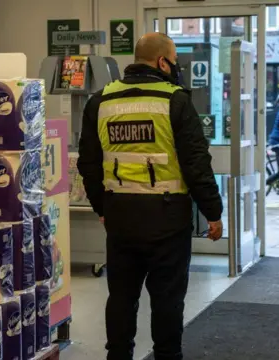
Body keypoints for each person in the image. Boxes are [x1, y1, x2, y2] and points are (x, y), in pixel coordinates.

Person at [77, 32, 224, 360]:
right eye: (173, 61)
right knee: (167, 300)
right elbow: (196, 164)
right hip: (167, 220)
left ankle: (118, 356)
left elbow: (88, 164)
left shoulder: (100, 101)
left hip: (120, 217)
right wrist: (213, 212)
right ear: (162, 62)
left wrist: (102, 207)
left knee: (120, 298)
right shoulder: (176, 100)